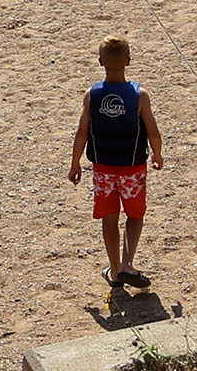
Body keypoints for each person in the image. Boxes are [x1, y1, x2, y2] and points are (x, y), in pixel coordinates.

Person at [69, 36, 164, 291]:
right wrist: (157, 154)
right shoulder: (139, 95)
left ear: (101, 62)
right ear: (129, 62)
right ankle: (128, 263)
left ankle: (114, 270)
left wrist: (75, 163)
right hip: (132, 168)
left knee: (109, 219)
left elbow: (81, 132)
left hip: (103, 170)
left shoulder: (92, 95)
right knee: (135, 214)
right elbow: (152, 130)